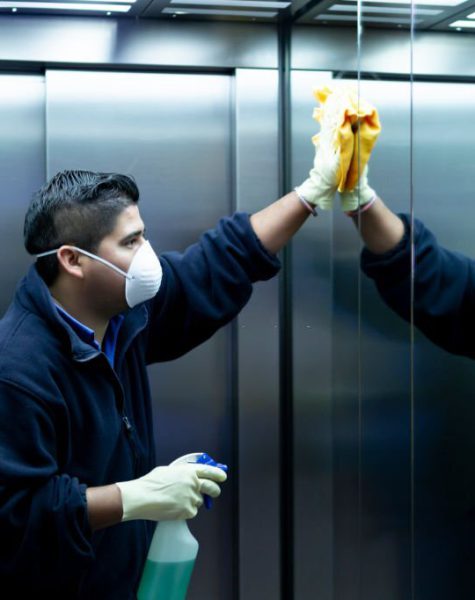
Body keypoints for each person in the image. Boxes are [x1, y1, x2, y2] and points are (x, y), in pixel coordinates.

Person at [0, 83, 359, 597]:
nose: (148, 254)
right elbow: (15, 511)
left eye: (142, 234)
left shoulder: (123, 317)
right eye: (130, 242)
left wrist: (312, 192)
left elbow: (217, 263)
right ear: (72, 260)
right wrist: (135, 495)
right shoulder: (17, 369)